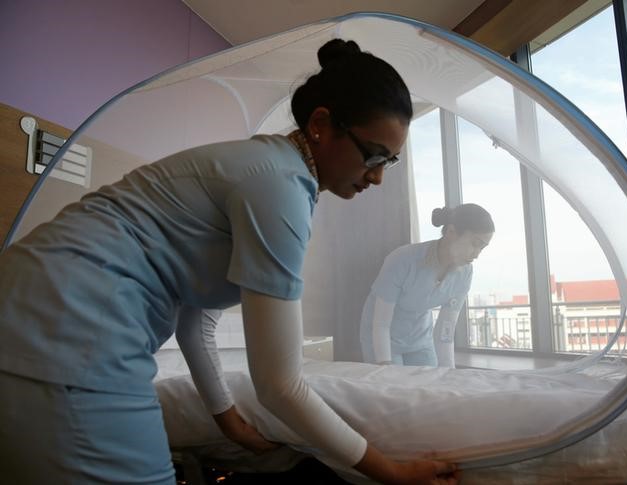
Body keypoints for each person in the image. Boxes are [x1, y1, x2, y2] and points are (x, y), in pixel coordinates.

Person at [0, 39, 460, 484]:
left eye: (391, 162)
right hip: (71, 324)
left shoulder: (267, 169)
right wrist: (393, 472)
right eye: (374, 155)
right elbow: (280, 386)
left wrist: (227, 418)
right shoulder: (279, 186)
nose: (378, 176)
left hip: (33, 304)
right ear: (322, 124)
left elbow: (196, 322)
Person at [360, 204, 495, 368]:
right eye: (475, 243)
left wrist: (448, 374)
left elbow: (446, 330)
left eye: (482, 247)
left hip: (420, 338)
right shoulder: (403, 260)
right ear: (451, 232)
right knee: (394, 386)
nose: (477, 254)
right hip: (382, 335)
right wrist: (385, 365)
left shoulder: (465, 272)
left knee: (433, 385)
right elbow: (381, 323)